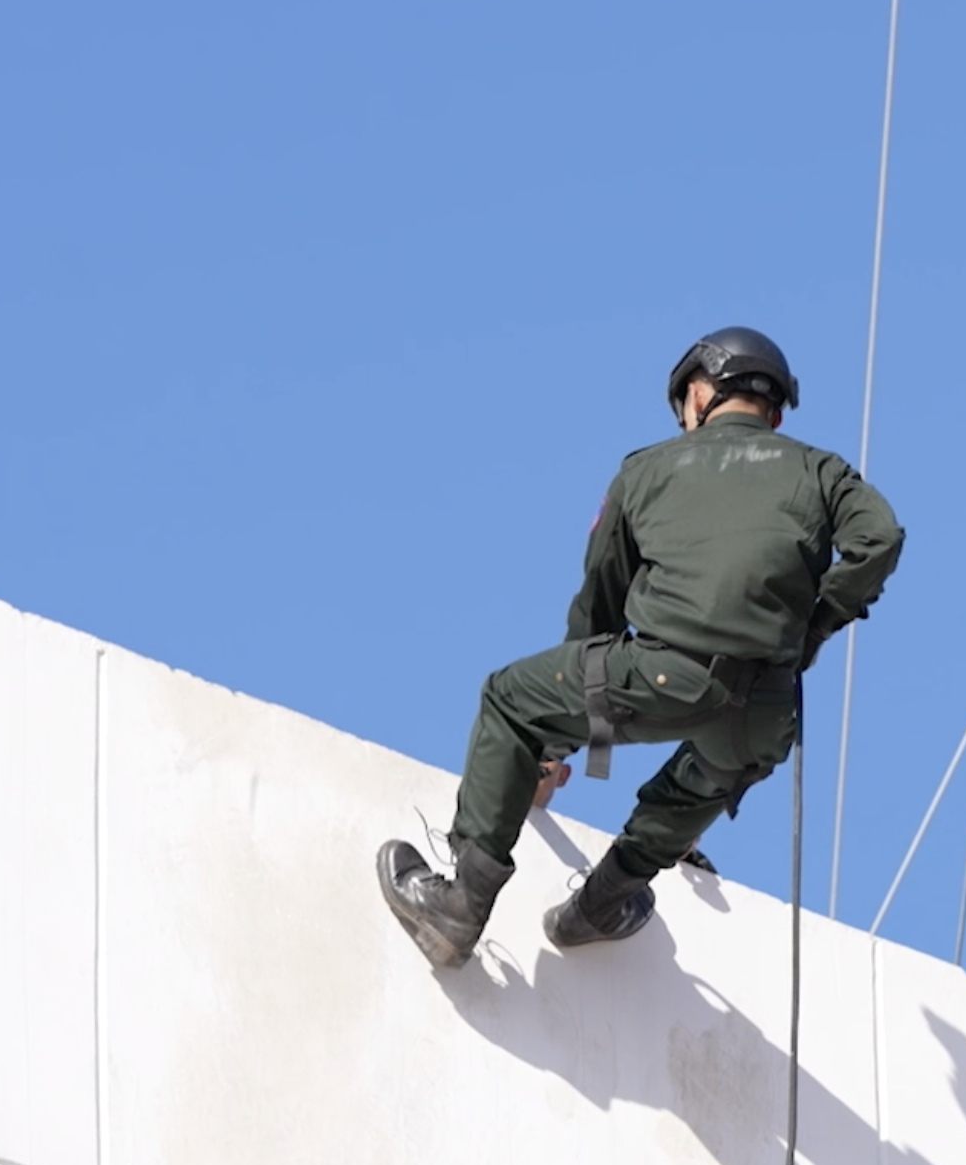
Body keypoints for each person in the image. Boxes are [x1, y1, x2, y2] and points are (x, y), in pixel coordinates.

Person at [378, 327, 904, 967]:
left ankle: (460, 905)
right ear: (774, 410)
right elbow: (880, 539)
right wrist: (813, 629)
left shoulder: (646, 470)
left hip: (664, 677)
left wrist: (554, 746)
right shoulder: (822, 471)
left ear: (701, 393)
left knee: (508, 700)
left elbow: (599, 611)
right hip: (765, 713)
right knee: (700, 781)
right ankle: (601, 905)